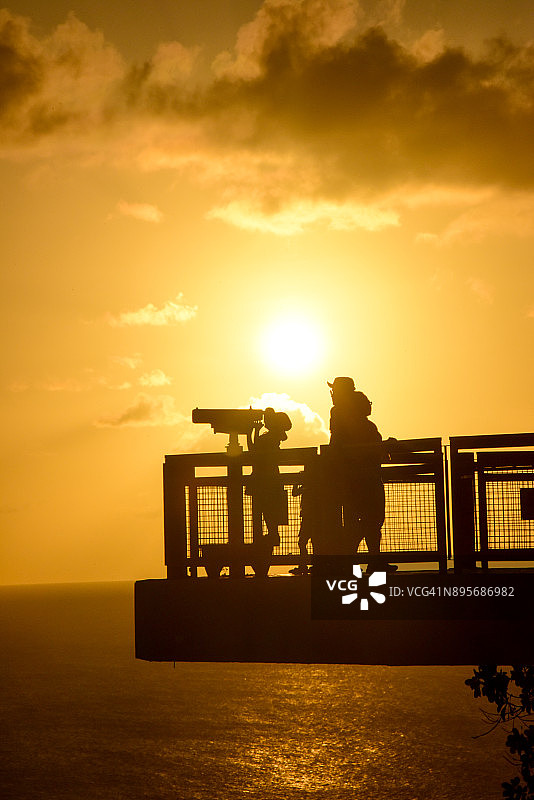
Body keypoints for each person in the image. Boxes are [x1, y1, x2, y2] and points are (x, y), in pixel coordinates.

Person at [327, 377, 397, 572]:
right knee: (372, 520)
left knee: (361, 520)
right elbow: (365, 450)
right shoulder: (361, 423)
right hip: (365, 478)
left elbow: (339, 444)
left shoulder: (339, 414)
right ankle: (359, 558)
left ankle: (357, 560)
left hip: (352, 478)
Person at [247, 407, 292, 574]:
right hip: (273, 479)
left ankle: (263, 557)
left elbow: (253, 451)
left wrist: (251, 432)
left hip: (262, 481)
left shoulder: (268, 438)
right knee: (271, 518)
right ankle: (267, 550)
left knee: (264, 516)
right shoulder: (274, 437)